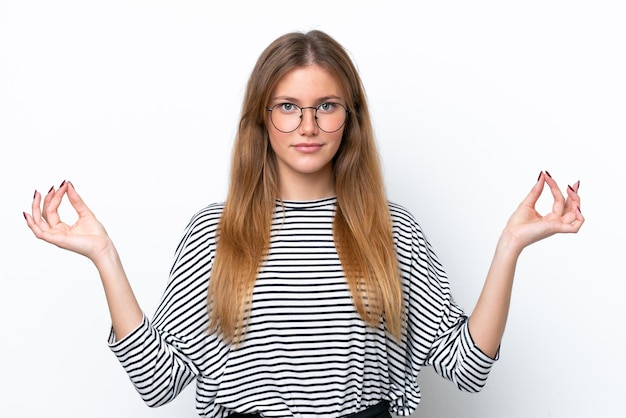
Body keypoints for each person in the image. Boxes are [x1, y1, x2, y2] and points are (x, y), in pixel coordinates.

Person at [23, 30, 584, 418]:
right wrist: (105, 256)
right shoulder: (215, 233)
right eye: (287, 106)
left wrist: (511, 245)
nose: (307, 125)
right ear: (262, 120)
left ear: (349, 118)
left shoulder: (391, 229)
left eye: (327, 106)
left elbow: (465, 368)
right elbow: (158, 382)